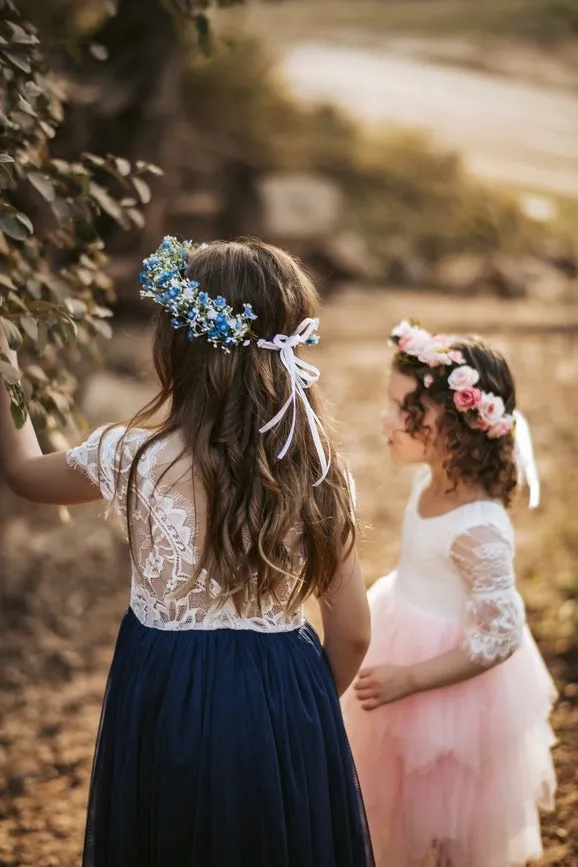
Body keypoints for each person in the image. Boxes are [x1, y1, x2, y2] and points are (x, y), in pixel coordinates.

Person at [0, 237, 374, 867]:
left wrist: (7, 367)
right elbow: (355, 632)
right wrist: (295, 711)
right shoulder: (317, 468)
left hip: (165, 692)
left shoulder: (131, 454)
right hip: (283, 696)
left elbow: (26, 474)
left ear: (178, 346)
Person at [342, 320, 557, 867]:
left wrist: (410, 679)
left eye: (402, 408)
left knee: (445, 818)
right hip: (403, 628)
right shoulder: (430, 478)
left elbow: (500, 637)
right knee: (391, 805)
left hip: (448, 687)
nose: (386, 419)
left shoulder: (479, 528)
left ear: (454, 424)